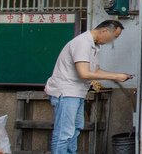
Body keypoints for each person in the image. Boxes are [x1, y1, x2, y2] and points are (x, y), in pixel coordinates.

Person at [45, 20, 132, 154]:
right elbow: (84, 73)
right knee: (64, 133)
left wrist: (118, 75)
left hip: (76, 93)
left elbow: (95, 71)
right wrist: (115, 77)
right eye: (114, 37)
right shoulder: (82, 43)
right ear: (104, 31)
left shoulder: (94, 46)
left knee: (75, 130)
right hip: (66, 93)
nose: (113, 41)